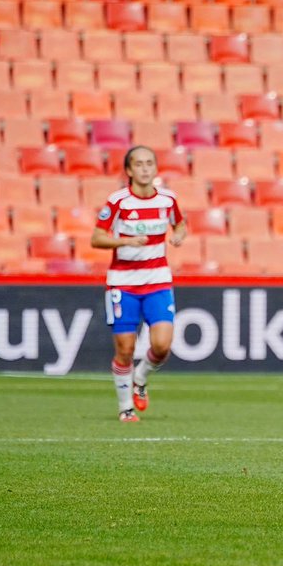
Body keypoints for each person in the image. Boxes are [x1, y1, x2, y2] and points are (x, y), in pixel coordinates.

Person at [91, 145, 188, 423]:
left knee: (161, 346)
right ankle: (125, 409)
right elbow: (96, 238)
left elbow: (180, 224)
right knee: (125, 349)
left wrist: (179, 235)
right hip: (123, 283)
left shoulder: (168, 199)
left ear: (155, 168)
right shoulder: (118, 202)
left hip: (158, 280)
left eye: (149, 163)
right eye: (139, 164)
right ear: (129, 171)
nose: (145, 168)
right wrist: (125, 240)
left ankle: (141, 379)